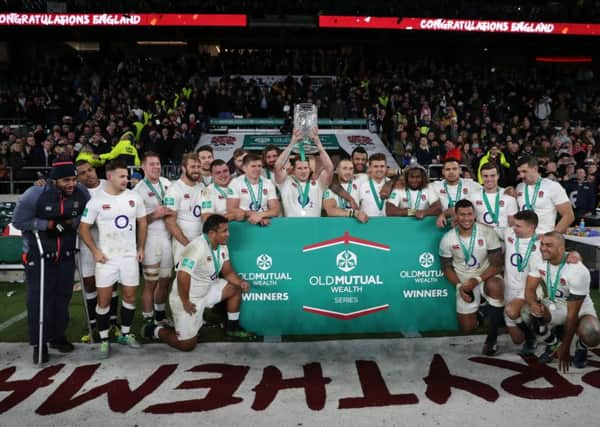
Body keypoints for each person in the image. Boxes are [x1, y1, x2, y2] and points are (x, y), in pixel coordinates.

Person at [142, 214, 256, 351]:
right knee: (187, 345)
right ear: (212, 233)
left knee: (235, 287)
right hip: (188, 299)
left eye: (228, 230)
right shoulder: (196, 247)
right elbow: (182, 277)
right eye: (224, 231)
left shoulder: (222, 246)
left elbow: (228, 273)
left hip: (207, 290)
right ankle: (154, 330)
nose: (228, 234)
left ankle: (232, 328)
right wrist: (185, 302)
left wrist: (240, 282)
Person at [13, 161, 89, 363]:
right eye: (66, 180)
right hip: (38, 254)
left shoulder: (81, 193)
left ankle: (57, 336)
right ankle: (40, 342)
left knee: (62, 296)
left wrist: (69, 223)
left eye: (74, 179)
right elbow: (18, 221)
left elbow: (87, 214)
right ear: (54, 180)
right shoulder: (35, 194)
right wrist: (48, 225)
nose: (72, 184)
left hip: (65, 253)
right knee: (39, 298)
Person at [439, 199, 505, 356]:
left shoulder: (487, 232)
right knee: (467, 329)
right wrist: (459, 287)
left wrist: (477, 280)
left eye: (469, 214)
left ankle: (492, 339)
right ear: (456, 215)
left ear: (474, 214)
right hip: (464, 284)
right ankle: (482, 310)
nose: (466, 218)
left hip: (485, 277)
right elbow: (446, 268)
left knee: (495, 286)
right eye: (462, 215)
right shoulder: (448, 239)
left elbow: (497, 265)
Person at [526, 232, 600, 371]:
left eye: (549, 245)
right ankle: (554, 344)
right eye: (542, 244)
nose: (543, 248)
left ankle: (581, 346)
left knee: (593, 333)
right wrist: (533, 304)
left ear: (561, 248)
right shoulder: (538, 259)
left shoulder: (577, 270)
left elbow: (572, 316)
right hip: (556, 304)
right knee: (527, 312)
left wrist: (566, 349)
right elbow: (530, 289)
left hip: (580, 308)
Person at [75, 160, 120, 343]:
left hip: (109, 243)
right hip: (86, 244)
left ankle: (113, 323)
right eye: (83, 172)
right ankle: (93, 325)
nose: (89, 174)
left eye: (91, 170)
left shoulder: (109, 184)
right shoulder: (76, 191)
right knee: (89, 283)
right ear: (78, 177)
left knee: (112, 284)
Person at [133, 152, 174, 329]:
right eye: (152, 164)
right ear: (143, 167)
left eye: (158, 164)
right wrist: (153, 215)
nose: (156, 167)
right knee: (151, 283)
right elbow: (136, 221)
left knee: (165, 280)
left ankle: (160, 316)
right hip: (150, 239)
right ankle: (148, 321)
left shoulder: (168, 183)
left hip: (168, 237)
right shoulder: (138, 190)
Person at [501, 210, 544, 355]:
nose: (514, 228)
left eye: (519, 226)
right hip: (509, 290)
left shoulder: (540, 246)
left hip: (528, 289)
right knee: (517, 340)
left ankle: (534, 332)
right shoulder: (509, 234)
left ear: (531, 228)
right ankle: (531, 327)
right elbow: (488, 230)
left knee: (511, 310)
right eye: (514, 224)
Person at [274, 128, 334, 217]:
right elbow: (277, 167)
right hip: (292, 226)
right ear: (293, 170)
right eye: (299, 168)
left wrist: (318, 143)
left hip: (313, 226)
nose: (303, 171)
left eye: (306, 168)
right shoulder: (286, 182)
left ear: (310, 169)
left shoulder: (318, 183)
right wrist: (292, 143)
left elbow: (330, 168)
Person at [516, 157, 575, 233]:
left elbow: (568, 216)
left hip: (543, 240)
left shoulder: (552, 186)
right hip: (523, 239)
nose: (521, 175)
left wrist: (552, 237)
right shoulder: (519, 187)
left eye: (524, 171)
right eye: (519, 172)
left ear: (535, 169)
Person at [164, 153, 204, 265]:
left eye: (198, 167)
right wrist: (188, 245)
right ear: (183, 168)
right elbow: (169, 222)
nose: (196, 170)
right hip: (183, 243)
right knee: (184, 278)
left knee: (200, 278)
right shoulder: (174, 189)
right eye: (192, 167)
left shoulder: (202, 187)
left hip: (201, 241)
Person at [227, 153, 281, 226]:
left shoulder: (268, 183)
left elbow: (276, 209)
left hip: (265, 223)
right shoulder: (235, 183)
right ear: (244, 168)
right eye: (253, 166)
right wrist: (253, 215)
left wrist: (261, 215)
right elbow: (232, 208)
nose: (257, 169)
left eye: (259, 166)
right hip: (244, 224)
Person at [470, 163, 518, 236]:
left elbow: (512, 224)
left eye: (492, 176)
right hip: (482, 239)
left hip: (503, 240)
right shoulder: (473, 197)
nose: (489, 179)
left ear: (498, 176)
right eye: (485, 176)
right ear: (481, 177)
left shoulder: (508, 196)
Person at [433, 157, 482, 228]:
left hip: (467, 226)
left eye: (454, 169)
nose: (451, 172)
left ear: (460, 170)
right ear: (443, 172)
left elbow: (491, 191)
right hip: (442, 225)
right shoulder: (435, 186)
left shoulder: (472, 185)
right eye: (448, 169)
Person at [323, 158, 368, 222]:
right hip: (337, 226)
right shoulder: (330, 187)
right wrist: (353, 213)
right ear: (337, 170)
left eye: (351, 169)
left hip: (356, 224)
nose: (348, 172)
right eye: (344, 168)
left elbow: (379, 173)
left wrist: (387, 185)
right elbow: (330, 210)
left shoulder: (360, 180)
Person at [358, 153, 389, 217]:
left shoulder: (393, 184)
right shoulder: (361, 185)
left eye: (382, 166)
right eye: (375, 166)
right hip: (367, 224)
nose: (379, 169)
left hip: (389, 223)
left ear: (386, 167)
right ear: (369, 168)